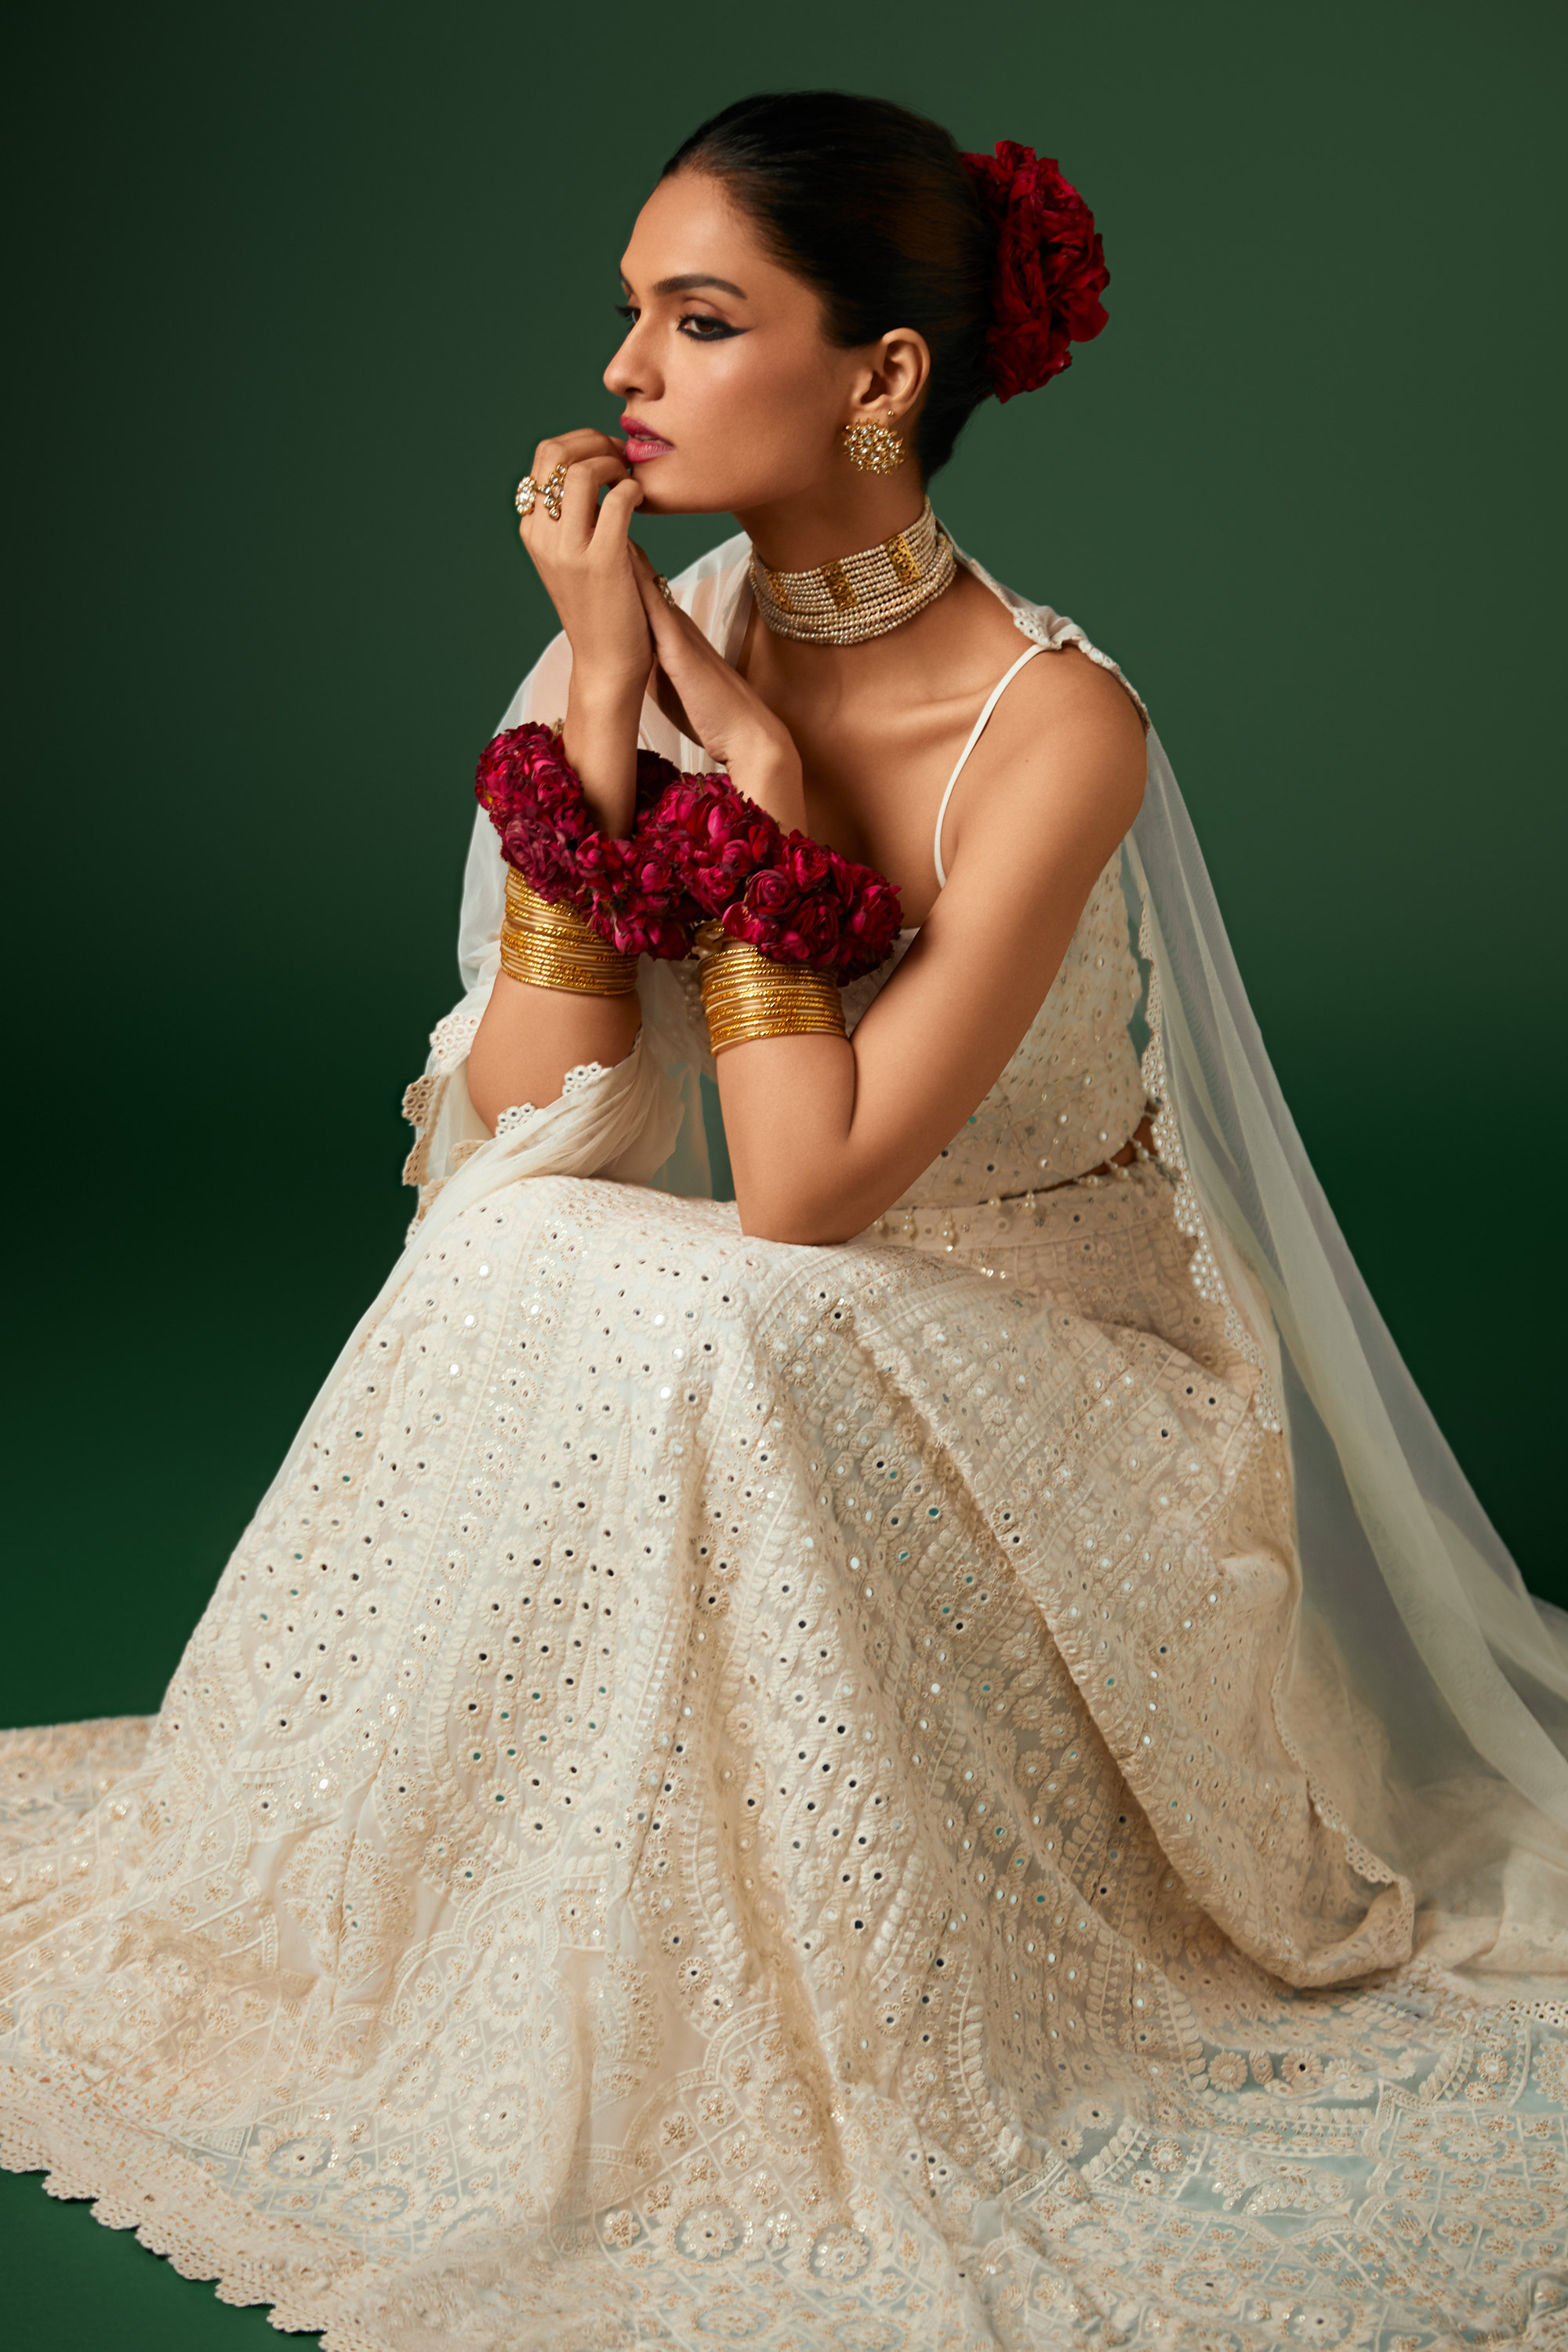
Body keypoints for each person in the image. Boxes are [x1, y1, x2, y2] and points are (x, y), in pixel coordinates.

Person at [3, 89, 1565, 2352]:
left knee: (734, 1316)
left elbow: (814, 1191)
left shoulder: (1055, 725)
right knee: (532, 1251)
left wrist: (754, 791)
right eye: (630, 311)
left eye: (701, 317)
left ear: (883, 374)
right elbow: (536, 1133)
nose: (623, 369)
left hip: (1058, 1390)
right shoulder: (651, 630)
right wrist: (613, 694)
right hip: (781, 1346)